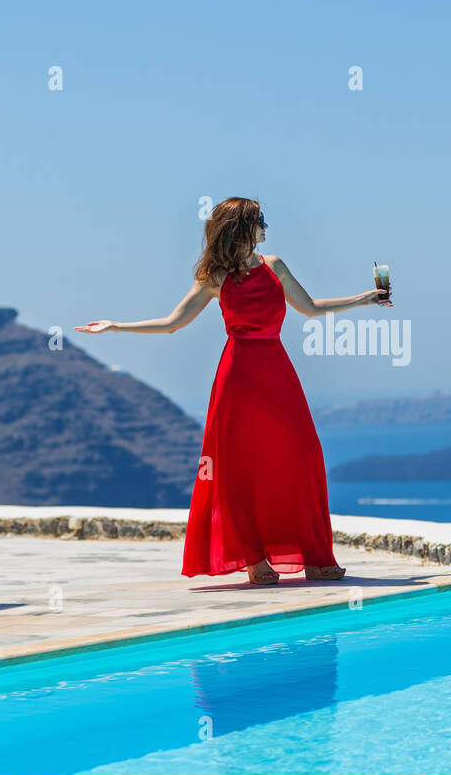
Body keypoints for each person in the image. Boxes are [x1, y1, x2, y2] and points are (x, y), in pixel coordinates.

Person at [76, 197, 392, 584]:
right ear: (242, 226)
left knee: (303, 453)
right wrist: (116, 326)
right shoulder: (214, 277)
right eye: (261, 220)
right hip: (238, 375)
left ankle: (314, 554)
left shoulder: (274, 266)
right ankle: (252, 558)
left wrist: (363, 298)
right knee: (239, 466)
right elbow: (173, 323)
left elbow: (309, 308)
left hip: (277, 371)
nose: (267, 227)